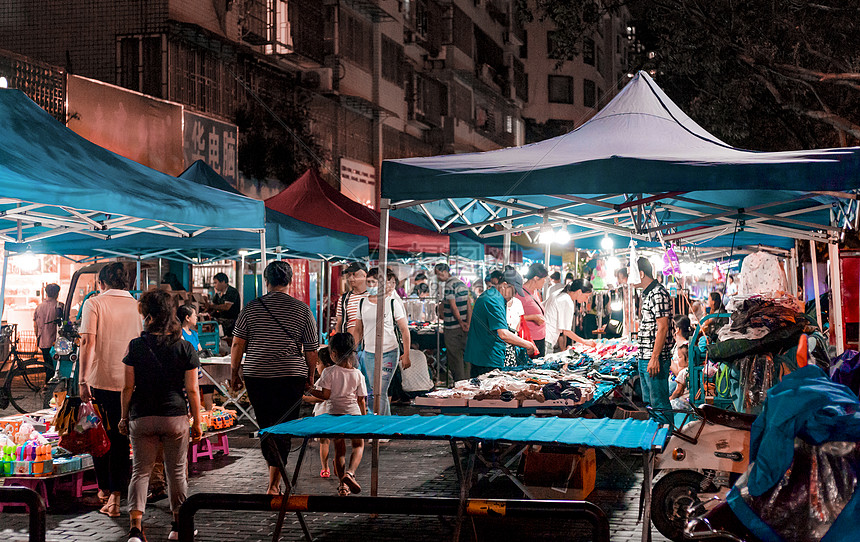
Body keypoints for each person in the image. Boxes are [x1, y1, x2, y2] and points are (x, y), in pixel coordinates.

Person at [230, 261, 320, 495]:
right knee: (285, 425)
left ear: (266, 281)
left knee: (267, 425)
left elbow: (238, 343)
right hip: (291, 375)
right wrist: (310, 375)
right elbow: (311, 349)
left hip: (257, 375)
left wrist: (234, 373)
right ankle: (274, 481)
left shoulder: (251, 308)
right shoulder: (302, 310)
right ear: (290, 282)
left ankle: (273, 479)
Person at [118, 290, 201, 542]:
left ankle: (134, 529)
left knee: (140, 472)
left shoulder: (136, 345)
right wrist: (197, 422)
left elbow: (127, 388)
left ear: (147, 314)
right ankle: (177, 526)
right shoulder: (185, 347)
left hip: (141, 416)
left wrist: (124, 417)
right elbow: (193, 390)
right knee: (176, 472)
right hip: (174, 417)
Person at [78, 262, 142, 517]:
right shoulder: (137, 306)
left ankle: (106, 492)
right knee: (121, 437)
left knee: (98, 438)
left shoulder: (94, 303)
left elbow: (87, 341)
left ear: (101, 283)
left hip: (99, 382)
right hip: (131, 382)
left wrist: (83, 380)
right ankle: (116, 495)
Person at [308, 333, 367, 496]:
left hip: (333, 415)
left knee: (339, 451)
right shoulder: (357, 374)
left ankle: (343, 485)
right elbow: (361, 400)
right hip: (353, 414)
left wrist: (310, 388)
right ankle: (350, 472)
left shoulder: (329, 372)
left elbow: (325, 396)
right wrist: (364, 418)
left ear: (333, 353)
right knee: (358, 446)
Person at [351, 268, 411, 415]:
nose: (370, 285)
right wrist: (352, 351)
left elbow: (404, 329)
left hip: (389, 351)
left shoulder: (392, 302)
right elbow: (358, 329)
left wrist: (407, 354)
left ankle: (382, 427)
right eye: (368, 282)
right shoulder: (362, 303)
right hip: (369, 353)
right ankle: (379, 423)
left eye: (374, 282)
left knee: (380, 390)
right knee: (372, 390)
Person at [465, 267, 538, 377]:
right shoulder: (492, 300)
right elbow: (503, 334)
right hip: (486, 359)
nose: (513, 296)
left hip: (488, 356)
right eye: (513, 292)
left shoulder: (495, 297)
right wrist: (528, 344)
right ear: (504, 285)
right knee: (487, 392)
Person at [636, 257, 676, 426]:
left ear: (641, 273)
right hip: (645, 356)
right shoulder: (648, 294)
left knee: (659, 404)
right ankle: (656, 440)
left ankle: (666, 441)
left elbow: (663, 327)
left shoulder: (658, 293)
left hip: (655, 358)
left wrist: (654, 358)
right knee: (651, 404)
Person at [333, 262, 370, 399]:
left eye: (355, 274)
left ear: (365, 275)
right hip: (349, 346)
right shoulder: (344, 299)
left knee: (368, 382)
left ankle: (368, 411)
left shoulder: (372, 297)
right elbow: (339, 322)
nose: (351, 278)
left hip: (367, 345)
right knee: (351, 380)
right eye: (349, 275)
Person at [433, 263, 471, 382]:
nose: (438, 277)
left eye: (438, 274)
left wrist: (460, 322)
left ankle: (459, 384)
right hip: (464, 328)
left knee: (455, 358)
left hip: (452, 328)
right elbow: (469, 306)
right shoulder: (462, 284)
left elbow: (453, 306)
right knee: (465, 357)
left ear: (444, 272)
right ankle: (468, 382)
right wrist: (467, 323)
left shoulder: (449, 285)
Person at [304, 346, 336, 479]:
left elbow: (320, 397)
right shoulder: (338, 374)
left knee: (324, 442)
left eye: (318, 364)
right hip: (337, 413)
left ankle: (325, 468)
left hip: (324, 414)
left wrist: (305, 397)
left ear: (326, 364)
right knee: (338, 441)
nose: (317, 367)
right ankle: (337, 464)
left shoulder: (324, 376)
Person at [545, 280, 598, 353]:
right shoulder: (567, 301)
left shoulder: (559, 293)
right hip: (547, 339)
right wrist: (584, 341)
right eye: (586, 296)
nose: (586, 300)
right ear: (579, 292)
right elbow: (566, 331)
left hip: (543, 337)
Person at [178, 305, 214, 411]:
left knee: (209, 380)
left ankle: (209, 410)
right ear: (187, 318)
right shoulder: (180, 333)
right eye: (195, 315)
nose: (197, 318)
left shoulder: (194, 333)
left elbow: (200, 350)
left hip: (198, 364)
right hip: (188, 368)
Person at [516, 263, 549, 356]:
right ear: (535, 278)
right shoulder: (520, 294)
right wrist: (533, 317)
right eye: (543, 279)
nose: (545, 282)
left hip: (540, 338)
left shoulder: (535, 291)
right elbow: (512, 317)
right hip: (529, 340)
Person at [34, 283, 62, 380]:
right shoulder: (60, 306)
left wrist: (38, 337)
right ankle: (53, 386)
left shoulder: (39, 307)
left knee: (47, 364)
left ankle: (47, 383)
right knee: (57, 366)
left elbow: (35, 326)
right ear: (56, 294)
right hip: (56, 342)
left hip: (43, 341)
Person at [207, 272, 240, 341]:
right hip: (222, 320)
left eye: (216, 283)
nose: (214, 285)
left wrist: (211, 306)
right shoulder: (218, 294)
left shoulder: (232, 291)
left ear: (223, 282)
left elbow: (226, 307)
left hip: (231, 322)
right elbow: (213, 306)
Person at [669, 344, 690, 410]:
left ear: (688, 359)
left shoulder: (683, 372)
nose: (678, 360)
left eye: (680, 357)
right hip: (690, 401)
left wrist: (671, 398)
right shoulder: (691, 371)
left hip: (683, 402)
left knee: (665, 406)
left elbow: (678, 391)